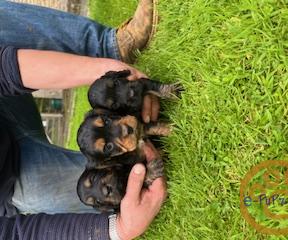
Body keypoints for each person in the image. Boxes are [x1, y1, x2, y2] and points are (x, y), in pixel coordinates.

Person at [0, 1, 167, 240]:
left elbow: (4, 70)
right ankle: (142, 145)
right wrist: (119, 230)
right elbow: (10, 234)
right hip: (11, 186)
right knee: (128, 182)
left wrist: (107, 73)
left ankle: (111, 45)